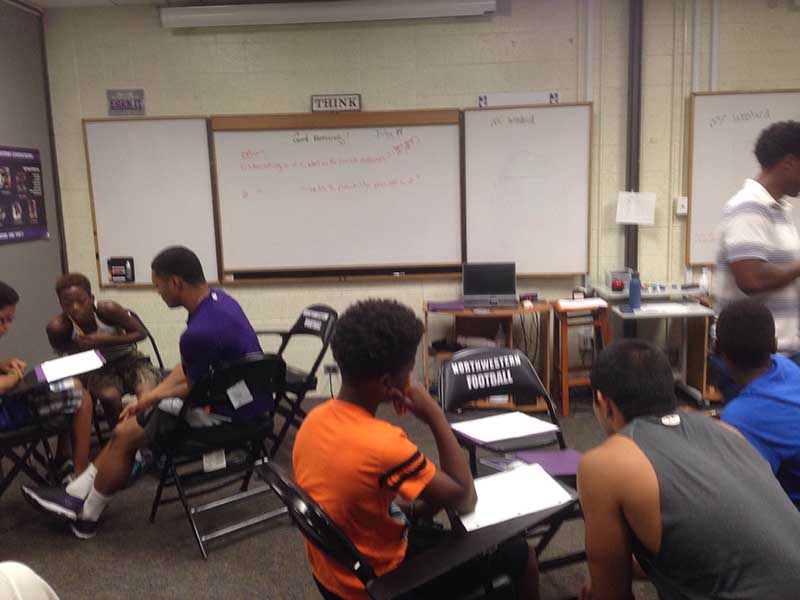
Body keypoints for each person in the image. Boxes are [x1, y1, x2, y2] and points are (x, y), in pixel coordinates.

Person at [292, 299, 539, 600]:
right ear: (387, 384)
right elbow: (465, 498)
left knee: (427, 503)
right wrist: (434, 414)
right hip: (385, 583)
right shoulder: (383, 444)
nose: (413, 379)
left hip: (334, 575)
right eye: (410, 370)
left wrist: (421, 507)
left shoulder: (313, 421)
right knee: (522, 554)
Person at [22, 246, 269, 539]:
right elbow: (189, 370)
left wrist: (152, 400)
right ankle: (74, 494)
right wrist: (150, 398)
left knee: (124, 435)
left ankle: (86, 515)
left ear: (175, 282)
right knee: (134, 420)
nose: (158, 293)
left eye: (158, 286)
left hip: (229, 417)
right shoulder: (220, 302)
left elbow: (190, 385)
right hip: (250, 401)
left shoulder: (197, 332)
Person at [578, 338, 800, 600]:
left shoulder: (603, 464)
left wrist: (605, 572)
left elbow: (610, 595)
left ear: (604, 402)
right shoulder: (727, 431)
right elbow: (717, 543)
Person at [711, 120, 800, 399]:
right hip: (753, 361)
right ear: (788, 163)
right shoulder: (748, 207)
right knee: (753, 438)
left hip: (780, 353)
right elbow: (751, 279)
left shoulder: (780, 209)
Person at [0, 281, 92, 477]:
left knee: (69, 383)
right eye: (2, 320)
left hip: (7, 405)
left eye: (10, 320)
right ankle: (79, 476)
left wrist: (2, 365)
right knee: (81, 396)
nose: (5, 328)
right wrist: (15, 375)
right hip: (5, 414)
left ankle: (63, 458)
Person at [46, 273, 160, 427]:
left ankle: (152, 438)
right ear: (60, 304)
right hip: (98, 368)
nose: (75, 307)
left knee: (146, 394)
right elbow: (60, 349)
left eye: (81, 301)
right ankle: (122, 439)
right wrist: (79, 347)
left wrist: (107, 341)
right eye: (67, 303)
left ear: (91, 298)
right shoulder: (59, 326)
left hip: (130, 359)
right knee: (109, 397)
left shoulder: (107, 310)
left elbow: (141, 333)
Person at [716, 298, 800, 508]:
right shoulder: (786, 366)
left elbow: (745, 492)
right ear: (774, 345)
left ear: (717, 349)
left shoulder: (739, 418)